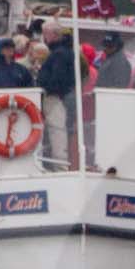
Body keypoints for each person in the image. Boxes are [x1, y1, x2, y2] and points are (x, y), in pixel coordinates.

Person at [35, 29, 84, 169]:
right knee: (61, 130)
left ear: (55, 35)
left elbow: (58, 77)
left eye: (46, 34)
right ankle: (60, 164)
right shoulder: (68, 52)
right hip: (66, 95)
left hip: (56, 97)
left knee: (57, 130)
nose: (44, 37)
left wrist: (48, 88)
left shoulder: (59, 54)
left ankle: (60, 166)